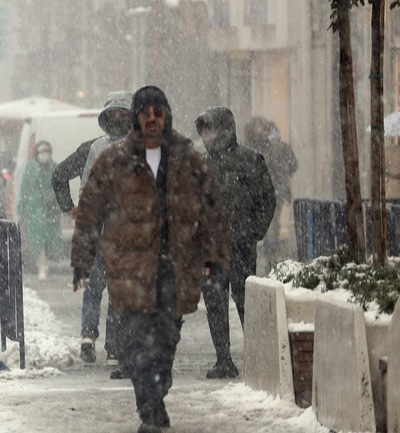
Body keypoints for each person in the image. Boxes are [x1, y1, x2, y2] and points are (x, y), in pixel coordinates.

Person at [72, 86, 230, 433]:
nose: (152, 119)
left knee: (165, 341)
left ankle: (157, 393)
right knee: (138, 344)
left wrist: (215, 256)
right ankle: (150, 410)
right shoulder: (114, 159)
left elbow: (212, 210)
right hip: (130, 270)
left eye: (158, 112)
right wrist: (82, 259)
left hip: (175, 268)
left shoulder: (188, 158)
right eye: (146, 113)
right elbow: (89, 209)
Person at [196, 107, 277, 379]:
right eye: (203, 130)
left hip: (241, 246)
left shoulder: (250, 160)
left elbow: (267, 199)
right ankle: (224, 359)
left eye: (210, 129)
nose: (206, 136)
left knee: (245, 302)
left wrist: (254, 231)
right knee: (215, 303)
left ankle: (258, 359)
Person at [53, 90, 131, 368]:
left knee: (93, 286)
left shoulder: (92, 147)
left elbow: (61, 175)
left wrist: (71, 207)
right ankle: (113, 348)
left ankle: (89, 336)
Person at [243, 117, 298, 259]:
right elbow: (292, 165)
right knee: (272, 220)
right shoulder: (276, 147)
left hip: (264, 191)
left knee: (267, 220)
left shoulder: (250, 147)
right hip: (273, 191)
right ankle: (269, 248)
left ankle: (268, 247)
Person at [16, 140, 63, 280]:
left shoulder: (55, 167)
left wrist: (60, 203)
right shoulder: (30, 169)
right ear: (36, 153)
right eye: (42, 151)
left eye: (47, 151)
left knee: (50, 240)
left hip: (51, 211)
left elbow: (61, 188)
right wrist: (22, 210)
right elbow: (24, 189)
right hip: (35, 210)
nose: (44, 154)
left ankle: (46, 264)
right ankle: (41, 267)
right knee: (37, 240)